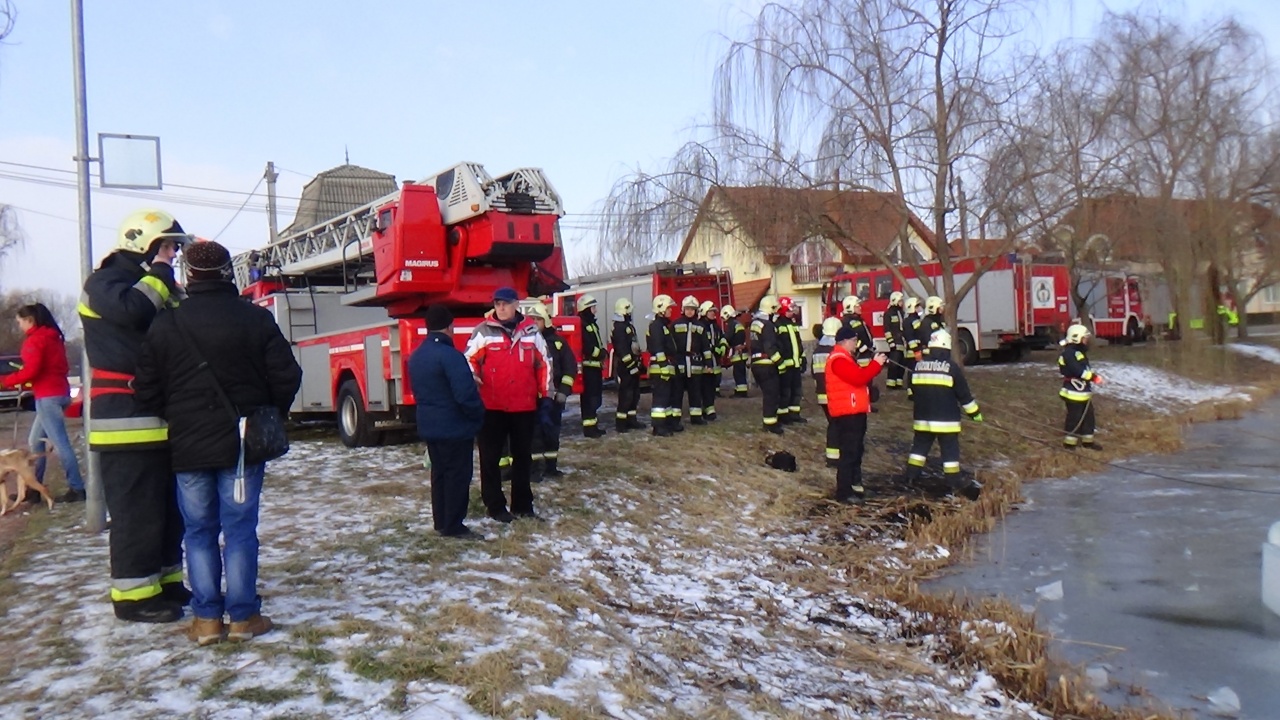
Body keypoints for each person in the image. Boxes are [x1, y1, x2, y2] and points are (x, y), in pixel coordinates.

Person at [134, 240, 301, 645]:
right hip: (242, 443)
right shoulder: (254, 319)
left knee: (198, 530)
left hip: (188, 446)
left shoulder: (166, 324)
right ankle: (243, 617)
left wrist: (176, 413)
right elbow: (287, 375)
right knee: (240, 529)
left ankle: (207, 620)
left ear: (187, 275)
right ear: (229, 272)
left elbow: (145, 388)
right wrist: (267, 411)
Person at [80, 208, 191, 624]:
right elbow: (133, 311)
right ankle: (133, 598)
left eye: (174, 248)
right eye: (166, 246)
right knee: (137, 514)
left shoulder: (156, 284)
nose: (172, 254)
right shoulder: (105, 283)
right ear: (141, 243)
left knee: (167, 512)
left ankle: (165, 583)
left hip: (160, 416)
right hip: (124, 423)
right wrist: (161, 274)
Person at [465, 287, 551, 522]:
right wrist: (473, 379)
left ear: (516, 305)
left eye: (505, 303)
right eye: (497, 303)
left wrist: (545, 395)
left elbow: (544, 363)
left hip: (523, 405)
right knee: (490, 458)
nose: (500, 308)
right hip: (492, 406)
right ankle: (495, 506)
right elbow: (468, 360)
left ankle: (522, 505)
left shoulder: (531, 332)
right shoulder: (483, 332)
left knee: (523, 457)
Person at [408, 304, 486, 538]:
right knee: (457, 476)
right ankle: (454, 525)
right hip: (454, 427)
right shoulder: (451, 356)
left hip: (430, 425)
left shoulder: (417, 356)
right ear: (450, 327)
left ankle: (441, 521)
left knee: (439, 475)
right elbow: (464, 394)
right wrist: (478, 414)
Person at [0, 303, 85, 503]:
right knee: (35, 442)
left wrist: (6, 381)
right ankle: (33, 487)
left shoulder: (35, 341)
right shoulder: (54, 338)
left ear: (30, 321)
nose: (19, 326)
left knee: (61, 444)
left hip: (47, 396)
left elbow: (32, 370)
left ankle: (77, 488)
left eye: (20, 322)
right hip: (60, 392)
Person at [905, 329, 983, 499]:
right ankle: (952, 480)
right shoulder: (951, 368)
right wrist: (975, 413)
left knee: (919, 448)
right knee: (949, 452)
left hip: (922, 419)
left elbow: (911, 391)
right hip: (946, 421)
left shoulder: (917, 366)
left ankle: (911, 476)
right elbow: (964, 395)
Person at [827, 326, 887, 503]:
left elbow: (859, 379)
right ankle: (844, 492)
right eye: (853, 340)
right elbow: (858, 378)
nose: (856, 344)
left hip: (854, 411)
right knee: (849, 453)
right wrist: (875, 364)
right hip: (847, 414)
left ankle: (853, 487)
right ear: (845, 341)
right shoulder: (838, 360)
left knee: (856, 451)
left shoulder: (845, 358)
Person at [529, 303, 577, 477]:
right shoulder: (527, 342)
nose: (534, 322)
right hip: (533, 398)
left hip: (554, 397)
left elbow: (570, 368)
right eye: (532, 319)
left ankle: (550, 468)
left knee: (551, 433)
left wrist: (563, 390)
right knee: (534, 435)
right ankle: (534, 470)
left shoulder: (558, 343)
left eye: (538, 319)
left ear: (546, 321)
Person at [1058, 323, 1103, 451]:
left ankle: (1087, 442)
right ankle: (1069, 444)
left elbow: (1084, 367)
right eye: (1084, 338)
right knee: (1074, 417)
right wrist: (1094, 378)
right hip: (1073, 392)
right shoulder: (1069, 354)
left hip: (1082, 392)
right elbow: (1078, 371)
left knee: (1089, 417)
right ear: (1076, 338)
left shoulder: (1078, 352)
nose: (1086, 341)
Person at [810, 317, 843, 466]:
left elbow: (813, 372)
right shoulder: (835, 350)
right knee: (838, 425)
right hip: (835, 394)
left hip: (821, 394)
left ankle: (833, 456)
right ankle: (835, 457)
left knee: (833, 424)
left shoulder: (817, 351)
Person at [749, 296, 784, 434]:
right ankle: (770, 425)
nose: (776, 313)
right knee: (772, 394)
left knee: (768, 394)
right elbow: (769, 347)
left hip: (757, 363)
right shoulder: (768, 325)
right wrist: (780, 363)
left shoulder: (755, 323)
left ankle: (769, 422)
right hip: (767, 364)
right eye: (775, 310)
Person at [671, 296, 708, 426]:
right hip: (680, 361)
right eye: (687, 309)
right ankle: (675, 418)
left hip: (695, 362)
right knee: (677, 391)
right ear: (683, 309)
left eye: (692, 309)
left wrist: (708, 363)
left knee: (696, 391)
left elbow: (706, 346)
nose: (690, 312)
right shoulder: (675, 324)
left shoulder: (701, 326)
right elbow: (671, 344)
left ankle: (696, 417)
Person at [610, 298, 644, 433]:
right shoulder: (619, 328)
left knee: (634, 394)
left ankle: (631, 420)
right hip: (625, 367)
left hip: (632, 364)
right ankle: (621, 423)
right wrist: (631, 366)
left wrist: (638, 364)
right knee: (626, 395)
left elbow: (634, 346)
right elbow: (622, 350)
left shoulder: (627, 326)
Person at [647, 294, 678, 436]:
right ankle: (658, 427)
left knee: (668, 397)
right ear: (661, 309)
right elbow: (658, 347)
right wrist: (664, 366)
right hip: (660, 368)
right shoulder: (656, 326)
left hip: (665, 366)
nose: (671, 311)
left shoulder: (663, 326)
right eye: (669, 308)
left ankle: (668, 423)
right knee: (660, 398)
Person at [576, 294, 607, 439]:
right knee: (589, 399)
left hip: (595, 367)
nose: (595, 310)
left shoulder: (591, 324)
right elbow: (587, 347)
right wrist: (600, 353)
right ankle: (589, 429)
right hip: (589, 367)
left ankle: (593, 426)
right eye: (593, 307)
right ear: (586, 309)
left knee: (595, 398)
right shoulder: (582, 324)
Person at [776, 297, 806, 424]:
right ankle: (783, 415)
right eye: (789, 309)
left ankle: (794, 414)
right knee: (785, 391)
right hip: (786, 365)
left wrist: (803, 357)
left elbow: (798, 343)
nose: (792, 311)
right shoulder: (778, 325)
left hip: (795, 364)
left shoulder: (793, 324)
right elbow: (778, 346)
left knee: (797, 390)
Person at [700, 301, 726, 421]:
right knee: (703, 386)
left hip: (715, 361)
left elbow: (722, 338)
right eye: (711, 311)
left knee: (712, 386)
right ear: (705, 312)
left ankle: (710, 409)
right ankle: (704, 408)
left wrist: (722, 347)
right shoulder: (701, 326)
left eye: (714, 311)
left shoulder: (715, 326)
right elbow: (702, 343)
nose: (713, 314)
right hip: (704, 362)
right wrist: (713, 348)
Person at [722, 305, 749, 397]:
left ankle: (741, 392)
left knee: (738, 373)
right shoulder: (737, 323)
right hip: (742, 352)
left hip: (738, 353)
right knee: (741, 372)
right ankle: (741, 389)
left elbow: (728, 337)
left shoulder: (731, 324)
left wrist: (722, 343)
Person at [883, 292, 907, 390]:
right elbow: (887, 329)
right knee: (894, 364)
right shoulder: (888, 313)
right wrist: (891, 342)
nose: (902, 303)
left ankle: (899, 383)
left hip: (902, 342)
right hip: (895, 343)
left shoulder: (901, 313)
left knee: (902, 364)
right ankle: (891, 384)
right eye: (900, 301)